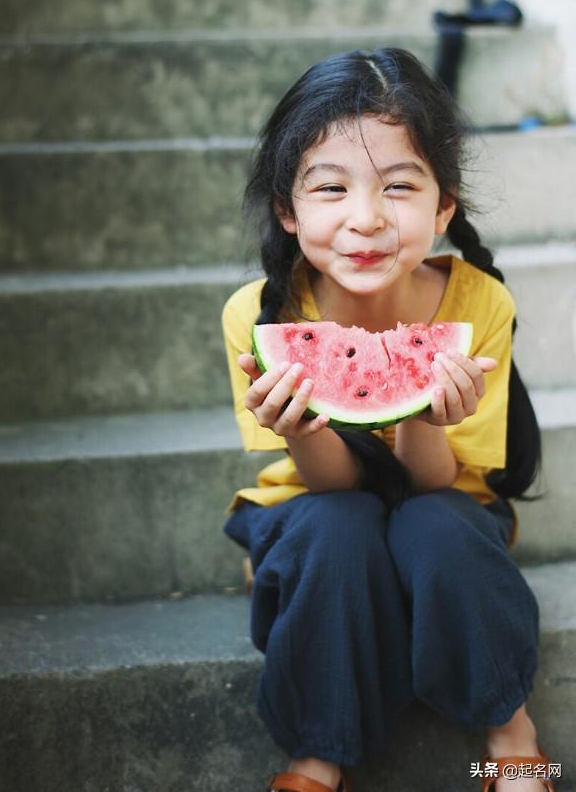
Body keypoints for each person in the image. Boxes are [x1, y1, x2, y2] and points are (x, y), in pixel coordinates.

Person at [221, 47, 556, 792]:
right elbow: (333, 484)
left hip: (446, 498)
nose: (365, 219)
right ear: (287, 207)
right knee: (337, 527)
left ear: (444, 206)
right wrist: (302, 428)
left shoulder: (480, 305)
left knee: (432, 523)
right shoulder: (256, 315)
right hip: (314, 503)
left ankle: (512, 731)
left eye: (399, 187)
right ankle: (316, 754)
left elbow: (434, 478)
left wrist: (426, 414)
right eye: (330, 188)